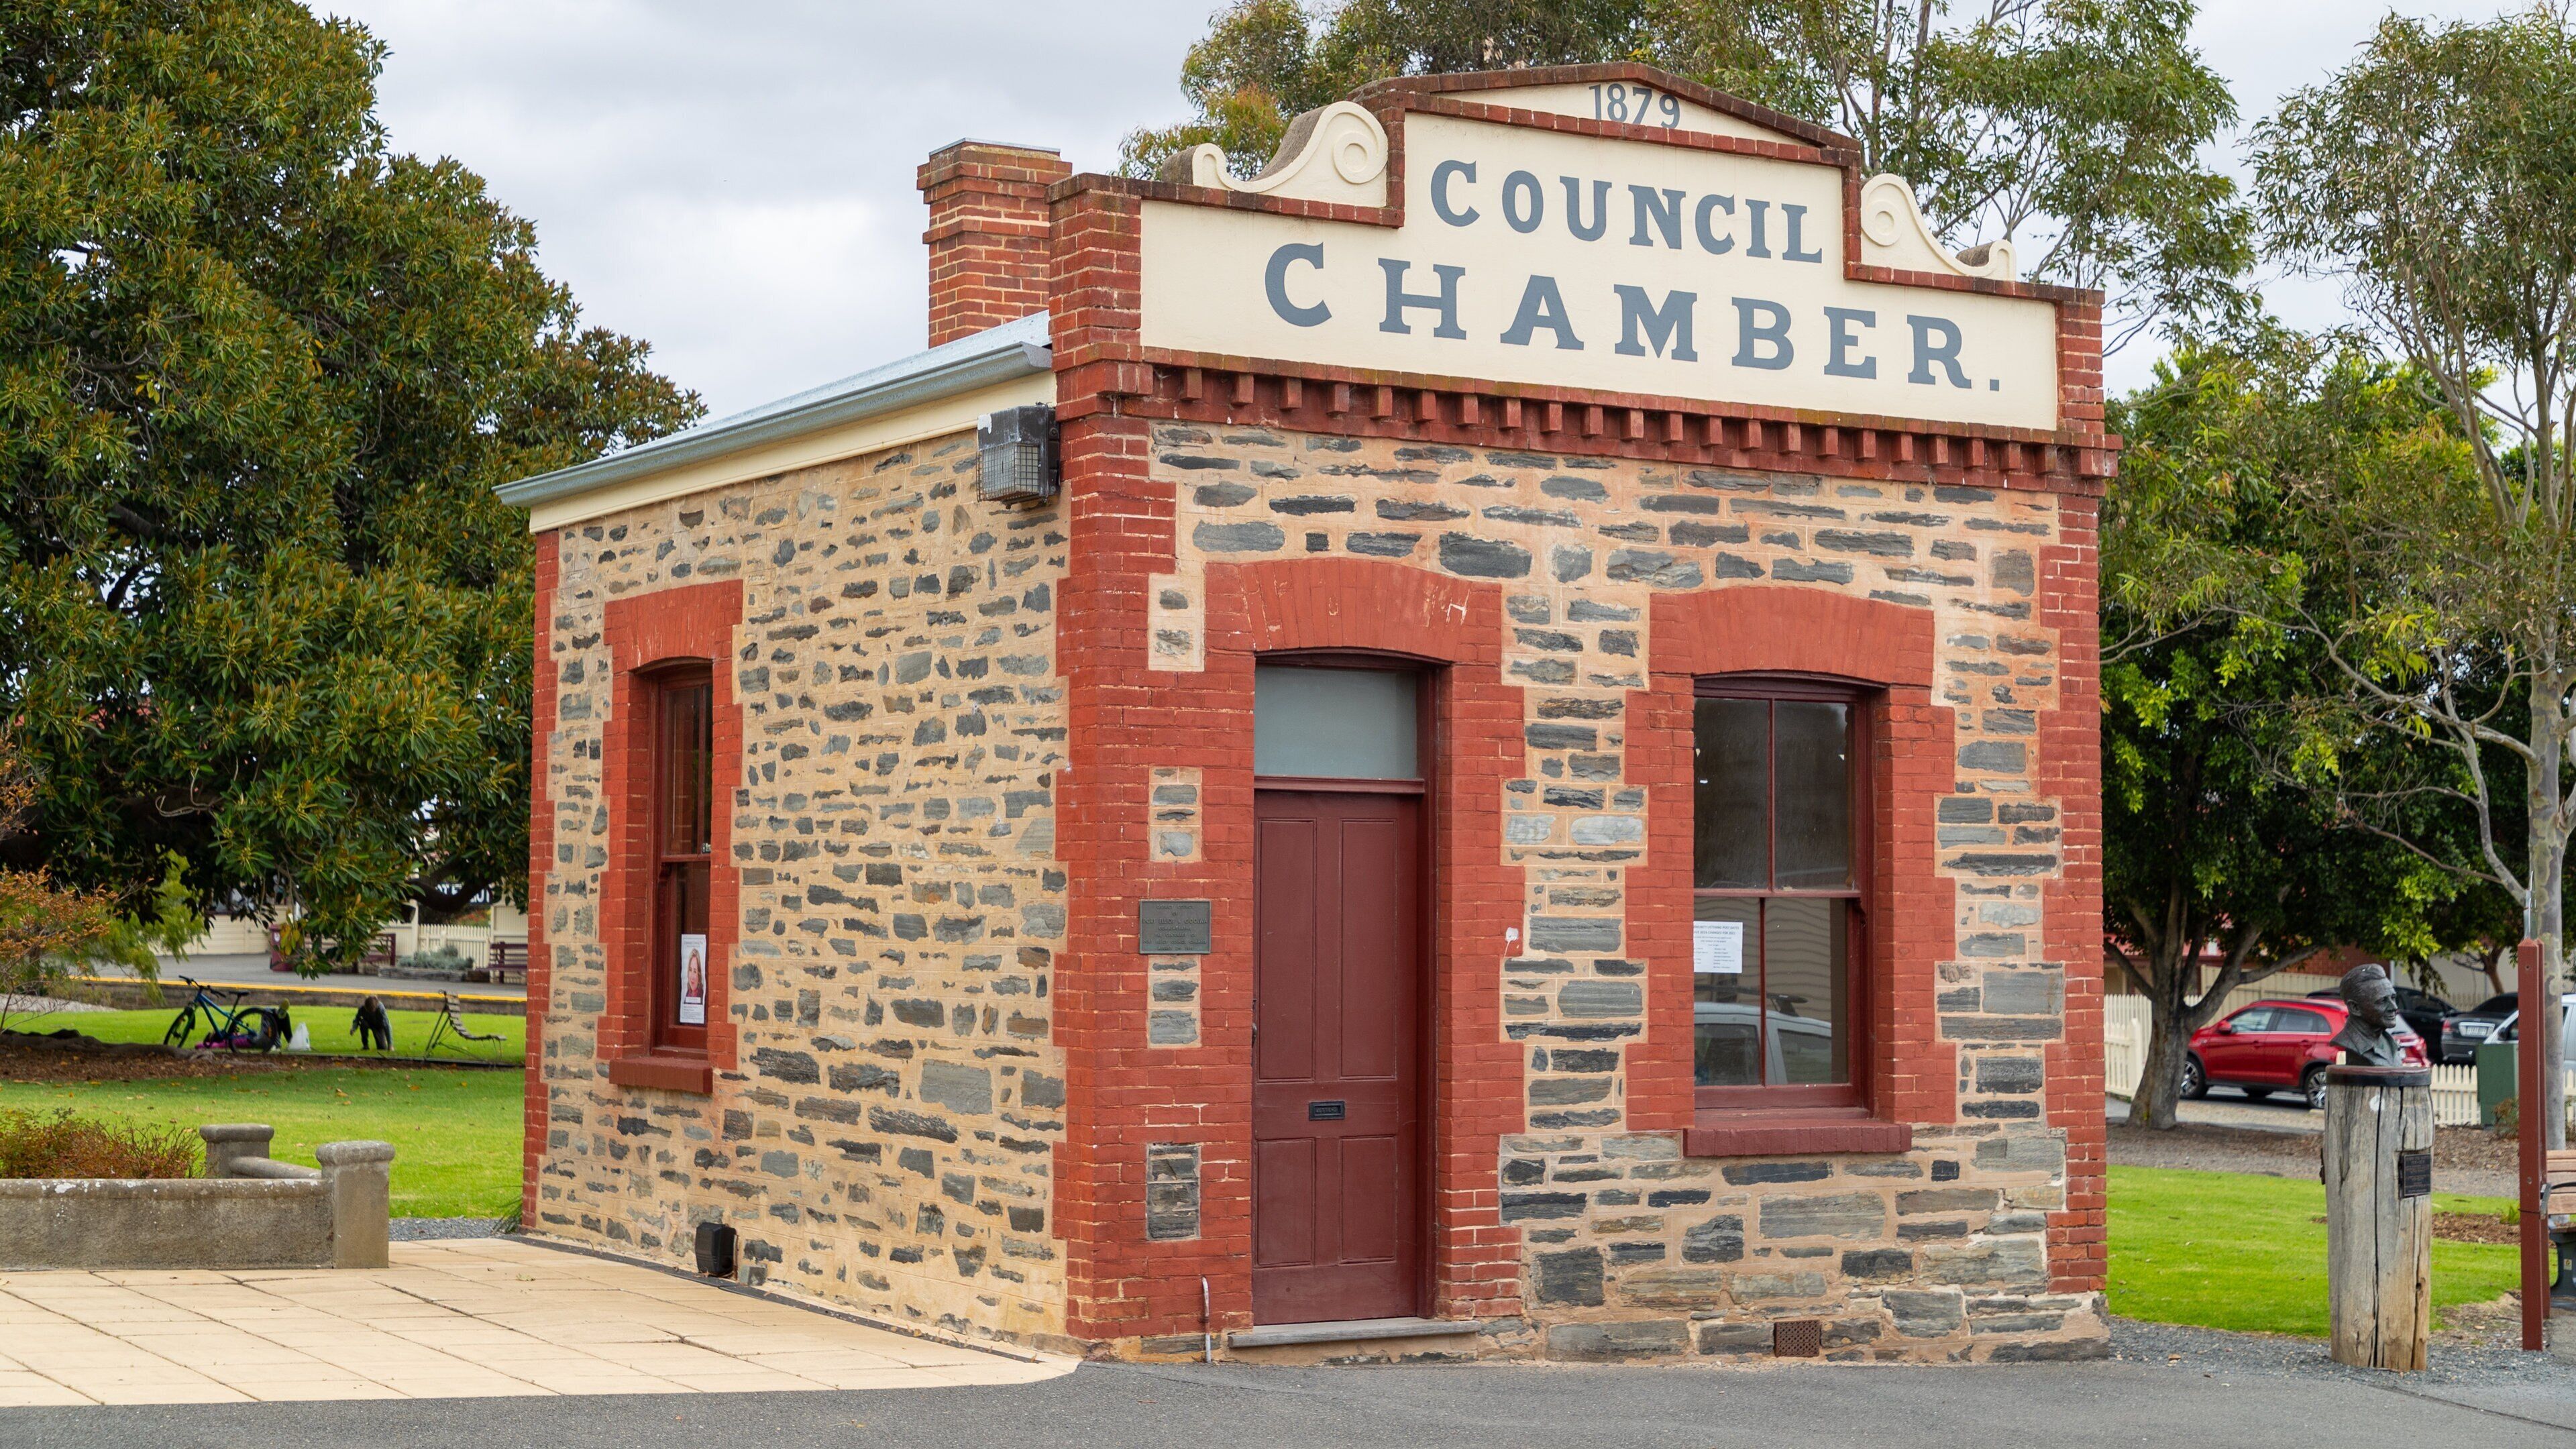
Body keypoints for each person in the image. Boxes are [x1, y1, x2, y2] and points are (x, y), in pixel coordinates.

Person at [2330, 963, 2410, 1068]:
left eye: (2393, 998)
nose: (2394, 1007)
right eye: (2382, 1001)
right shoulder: (2351, 1045)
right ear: (2355, 1008)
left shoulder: (2390, 1043)